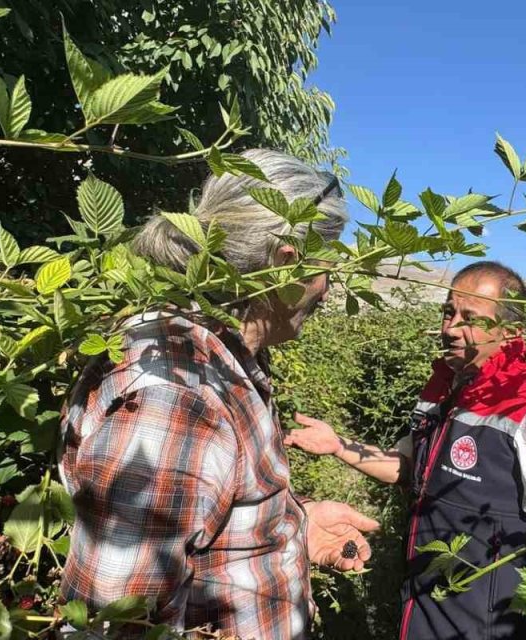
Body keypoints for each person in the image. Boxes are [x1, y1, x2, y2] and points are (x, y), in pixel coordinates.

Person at [58, 149, 379, 640]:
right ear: (284, 266)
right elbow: (116, 624)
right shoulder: (180, 397)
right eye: (327, 268)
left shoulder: (219, 362)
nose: (328, 291)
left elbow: (205, 523)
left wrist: (292, 525)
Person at [285, 261, 526, 640]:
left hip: (490, 615)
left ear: (512, 332)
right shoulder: (443, 389)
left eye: (469, 318)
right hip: (426, 597)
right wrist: (338, 445)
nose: (450, 328)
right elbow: (410, 469)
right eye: (448, 312)